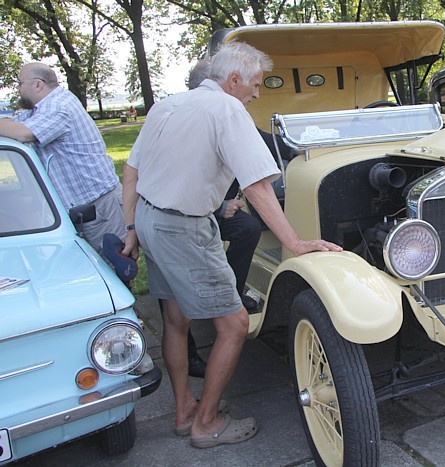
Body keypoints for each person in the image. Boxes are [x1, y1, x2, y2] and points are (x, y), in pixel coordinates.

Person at [122, 41, 341, 448]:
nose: (257, 93)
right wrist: (295, 242)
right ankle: (206, 424)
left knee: (174, 320)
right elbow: (259, 185)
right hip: (184, 228)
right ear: (234, 79)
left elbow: (132, 170)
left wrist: (133, 227)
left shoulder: (168, 104)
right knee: (235, 324)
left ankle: (185, 410)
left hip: (152, 220)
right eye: (255, 84)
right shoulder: (227, 108)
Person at [183, 57, 262, 378]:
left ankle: (233, 291)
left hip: (209, 207)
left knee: (248, 227)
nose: (256, 93)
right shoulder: (191, 115)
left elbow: (262, 141)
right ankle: (190, 355)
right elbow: (181, 182)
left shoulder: (229, 114)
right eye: (254, 85)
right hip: (184, 215)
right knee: (175, 298)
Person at [0, 63, 126, 254]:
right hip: (83, 210)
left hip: (99, 209)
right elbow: (14, 123)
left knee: (110, 267)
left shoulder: (59, 106)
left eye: (20, 83)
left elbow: (24, 133)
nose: (18, 89)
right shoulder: (41, 109)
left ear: (37, 85)